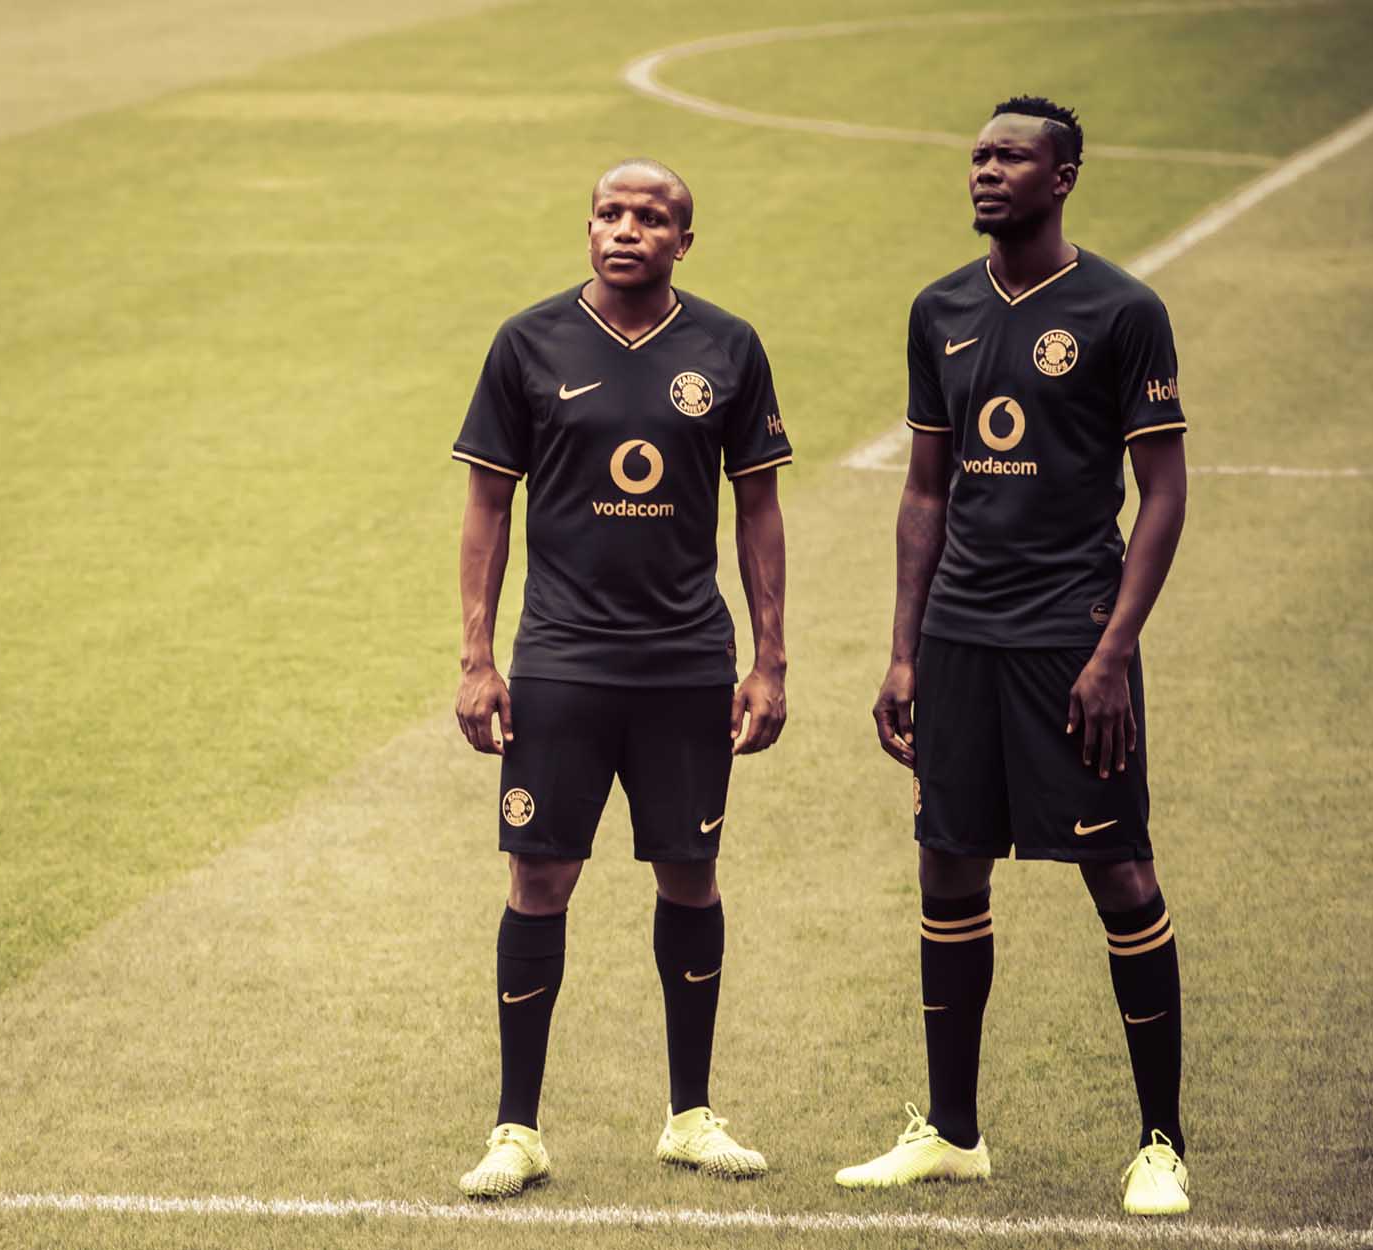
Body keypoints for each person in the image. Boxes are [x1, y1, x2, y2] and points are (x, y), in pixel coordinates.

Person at [836, 97, 1192, 1217]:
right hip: (959, 641)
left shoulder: (1123, 310)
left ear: (1064, 176)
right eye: (979, 156)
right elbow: (925, 491)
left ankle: (1161, 1145)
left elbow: (1164, 491)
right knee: (948, 864)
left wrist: (1112, 650)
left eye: (1011, 157)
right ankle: (952, 1133)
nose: (987, 172)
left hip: (1068, 643)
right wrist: (904, 653)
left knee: (1118, 870)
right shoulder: (939, 307)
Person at [449, 158, 793, 1200]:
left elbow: (759, 507)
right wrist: (477, 657)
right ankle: (516, 1130)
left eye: (651, 216)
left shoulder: (728, 347)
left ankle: (690, 1116)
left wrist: (770, 659)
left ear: (684, 240)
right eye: (609, 213)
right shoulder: (528, 342)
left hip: (687, 661)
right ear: (588, 228)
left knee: (689, 874)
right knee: (539, 879)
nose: (627, 229)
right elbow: (487, 506)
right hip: (562, 660)